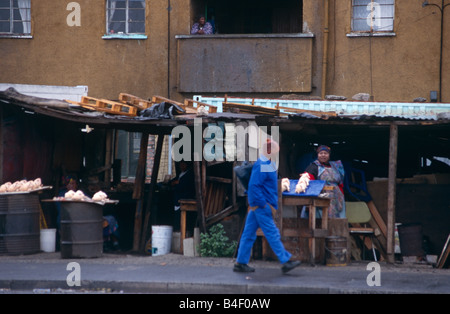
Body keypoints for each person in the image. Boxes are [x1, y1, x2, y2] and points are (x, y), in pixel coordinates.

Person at [234, 139, 301, 274]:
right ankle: (285, 261)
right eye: (275, 152)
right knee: (272, 233)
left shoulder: (265, 163)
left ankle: (240, 263)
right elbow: (254, 186)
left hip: (258, 206)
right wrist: (263, 204)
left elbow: (258, 185)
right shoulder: (263, 164)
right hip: (262, 206)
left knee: (248, 235)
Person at [303, 145, 346, 218]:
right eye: (321, 153)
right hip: (321, 196)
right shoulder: (313, 167)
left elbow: (340, 183)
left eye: (325, 153)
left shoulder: (336, 166)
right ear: (317, 155)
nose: (323, 155)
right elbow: (308, 182)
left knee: (338, 218)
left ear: (329, 155)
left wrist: (341, 194)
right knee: (323, 218)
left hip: (337, 197)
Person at [171, 160, 196, 231]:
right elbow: (173, 181)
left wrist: (178, 183)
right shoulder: (181, 174)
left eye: (183, 164)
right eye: (180, 164)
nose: (181, 166)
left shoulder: (189, 174)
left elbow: (185, 186)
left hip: (185, 197)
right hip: (178, 198)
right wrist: (174, 182)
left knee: (182, 218)